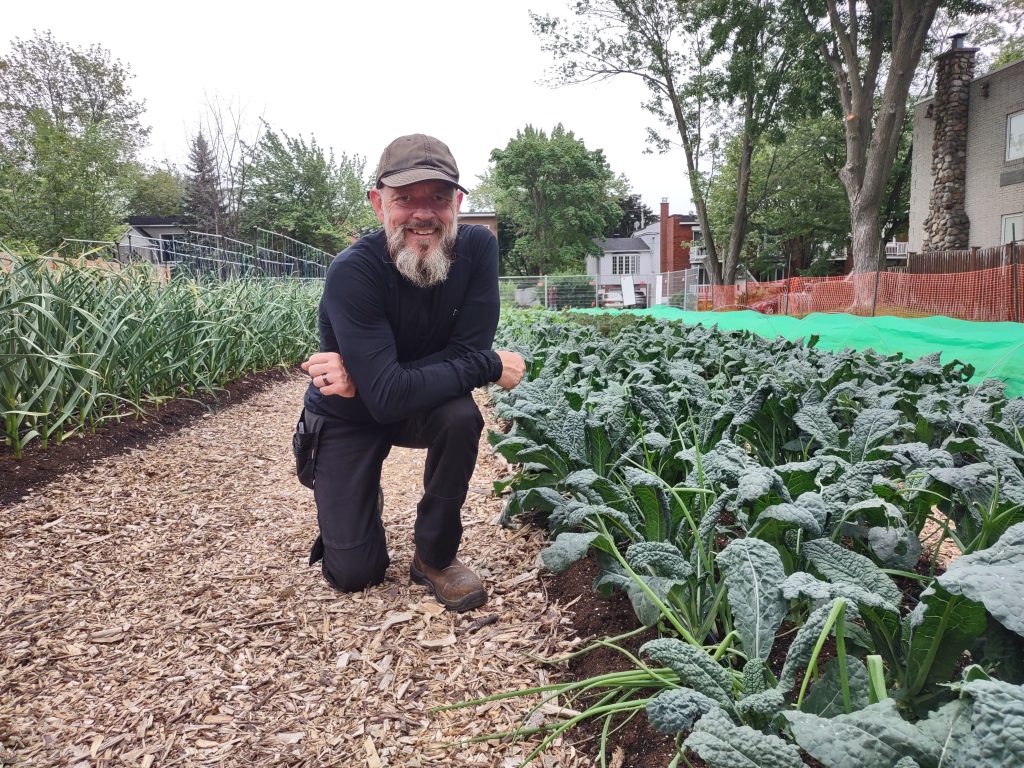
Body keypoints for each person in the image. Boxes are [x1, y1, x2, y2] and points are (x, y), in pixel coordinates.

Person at [298, 134, 525, 612]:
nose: (423, 213)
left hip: (414, 402)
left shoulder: (478, 250)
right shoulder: (353, 270)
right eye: (405, 199)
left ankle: (434, 557)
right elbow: (400, 389)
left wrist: (374, 374)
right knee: (354, 575)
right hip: (347, 411)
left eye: (438, 198)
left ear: (458, 203)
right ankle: (358, 495)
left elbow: (419, 374)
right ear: (379, 202)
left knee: (461, 416)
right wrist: (486, 364)